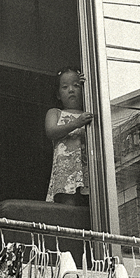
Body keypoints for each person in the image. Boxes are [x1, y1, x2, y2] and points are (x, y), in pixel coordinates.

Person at [45, 67, 94, 207]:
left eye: (76, 85)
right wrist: (76, 123)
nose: (71, 90)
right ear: (58, 94)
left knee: (91, 208)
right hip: (66, 173)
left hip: (88, 171)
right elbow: (51, 131)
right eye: (65, 87)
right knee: (69, 207)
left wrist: (89, 82)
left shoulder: (89, 113)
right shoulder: (55, 113)